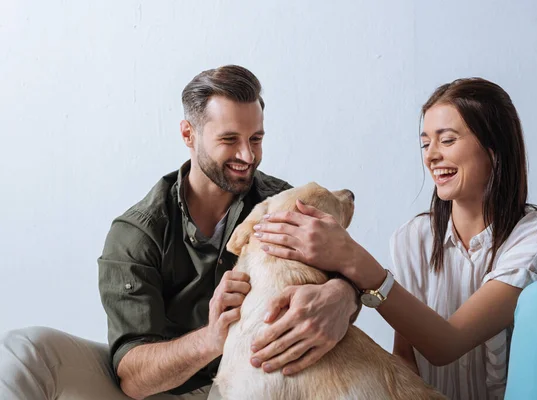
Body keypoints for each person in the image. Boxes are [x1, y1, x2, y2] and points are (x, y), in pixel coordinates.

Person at [0, 65, 359, 400]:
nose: (248, 155)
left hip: (261, 385)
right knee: (26, 349)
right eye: (230, 139)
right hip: (163, 390)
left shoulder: (277, 204)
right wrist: (214, 337)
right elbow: (133, 378)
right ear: (189, 134)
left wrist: (343, 294)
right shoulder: (138, 233)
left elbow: (347, 270)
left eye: (256, 138)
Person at [251, 77, 537, 399]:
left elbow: (448, 344)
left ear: (494, 149)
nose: (432, 155)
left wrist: (351, 260)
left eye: (447, 140)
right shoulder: (413, 238)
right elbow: (407, 360)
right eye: (425, 143)